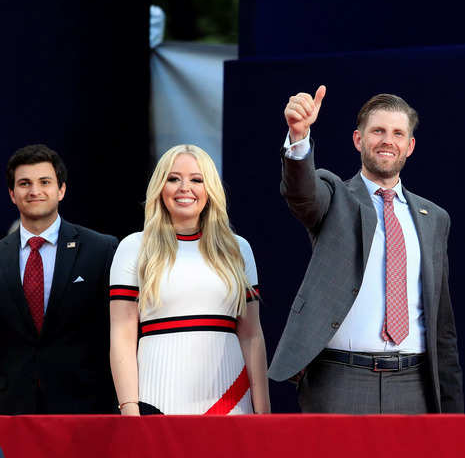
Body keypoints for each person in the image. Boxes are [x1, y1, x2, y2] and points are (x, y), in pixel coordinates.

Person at [268, 85, 463, 413]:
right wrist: (299, 136)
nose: (388, 140)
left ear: (410, 146)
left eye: (398, 133)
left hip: (413, 383)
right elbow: (302, 194)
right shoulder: (334, 196)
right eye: (378, 131)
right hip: (340, 380)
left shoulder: (435, 218)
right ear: (359, 140)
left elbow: (441, 320)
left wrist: (452, 405)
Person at [109, 144, 270, 415]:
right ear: (160, 187)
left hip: (230, 400)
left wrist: (262, 408)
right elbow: (122, 334)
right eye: (173, 179)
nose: (185, 187)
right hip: (156, 398)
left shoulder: (238, 248)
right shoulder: (134, 247)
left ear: (210, 190)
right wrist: (129, 407)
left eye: (196, 179)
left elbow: (252, 334)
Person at [0, 144, 117, 414]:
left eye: (44, 182)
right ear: (11, 194)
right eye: (24, 183)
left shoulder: (101, 249)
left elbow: (115, 331)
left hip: (84, 407)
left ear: (61, 190)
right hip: (11, 409)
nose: (34, 191)